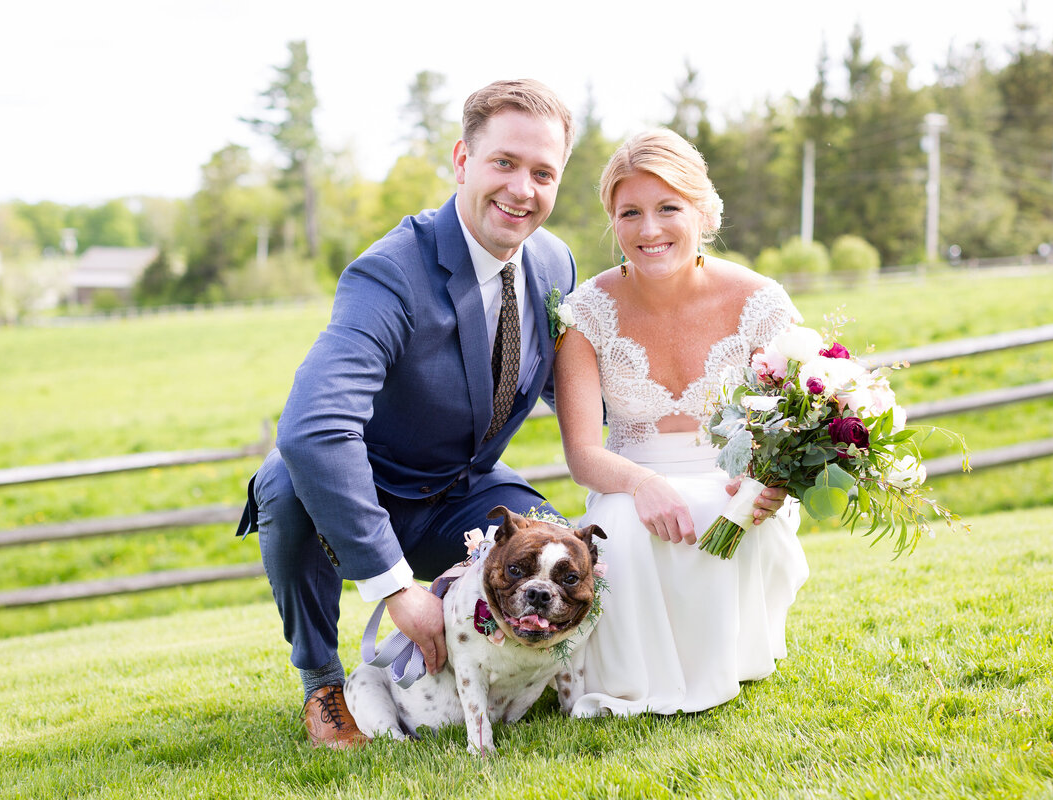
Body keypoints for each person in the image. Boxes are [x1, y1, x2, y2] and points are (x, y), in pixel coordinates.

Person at [236, 79, 577, 748]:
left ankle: (530, 667)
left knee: (558, 544)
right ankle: (324, 686)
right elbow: (312, 428)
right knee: (285, 478)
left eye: (543, 172)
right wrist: (395, 588)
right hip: (362, 489)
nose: (522, 189)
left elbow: (570, 390)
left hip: (460, 490)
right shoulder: (389, 274)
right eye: (503, 163)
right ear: (462, 160)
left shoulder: (553, 263)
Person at [554, 129, 809, 716]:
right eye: (630, 213)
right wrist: (642, 484)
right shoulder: (585, 315)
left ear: (704, 211)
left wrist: (771, 482)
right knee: (617, 521)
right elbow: (583, 456)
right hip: (629, 476)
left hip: (736, 481)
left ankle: (723, 661)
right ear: (612, 221)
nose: (649, 230)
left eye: (668, 208)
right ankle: (631, 682)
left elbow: (801, 421)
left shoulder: (759, 301)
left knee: (728, 508)